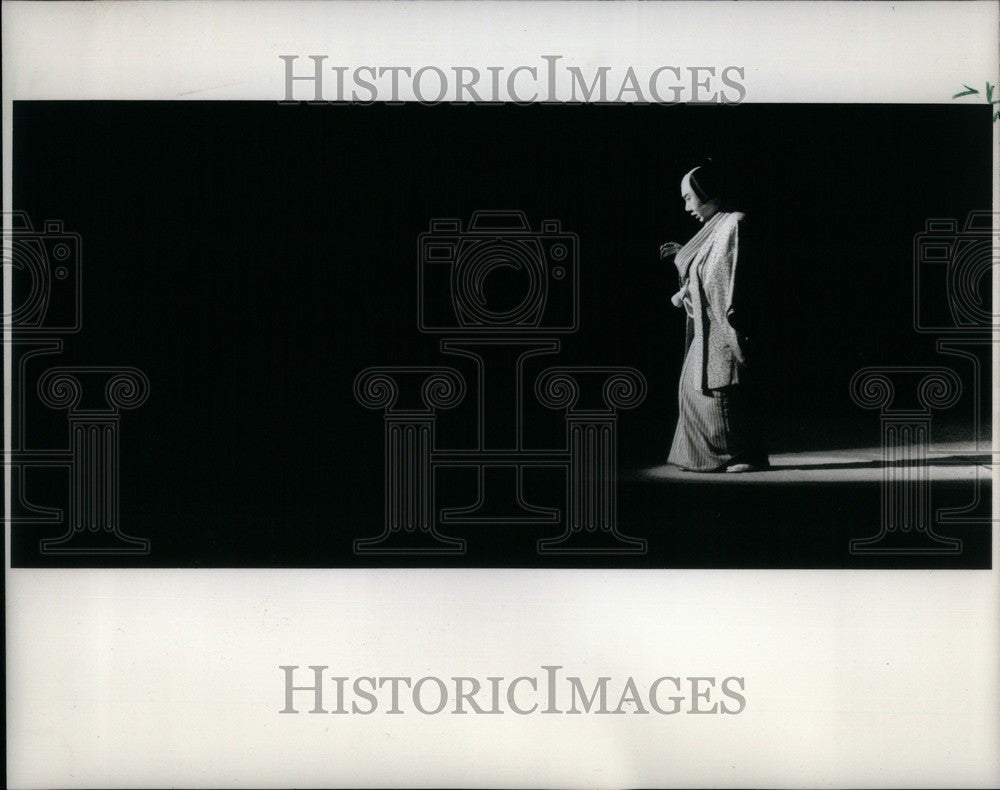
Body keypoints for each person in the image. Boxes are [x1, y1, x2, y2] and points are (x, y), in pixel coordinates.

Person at [659, 162, 768, 472]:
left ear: (705, 193)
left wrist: (689, 277)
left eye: (688, 197)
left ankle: (738, 454)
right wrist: (685, 263)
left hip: (722, 324)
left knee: (719, 389)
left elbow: (725, 277)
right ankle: (713, 455)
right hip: (709, 325)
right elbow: (708, 271)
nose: (686, 206)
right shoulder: (716, 227)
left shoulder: (734, 223)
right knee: (693, 388)